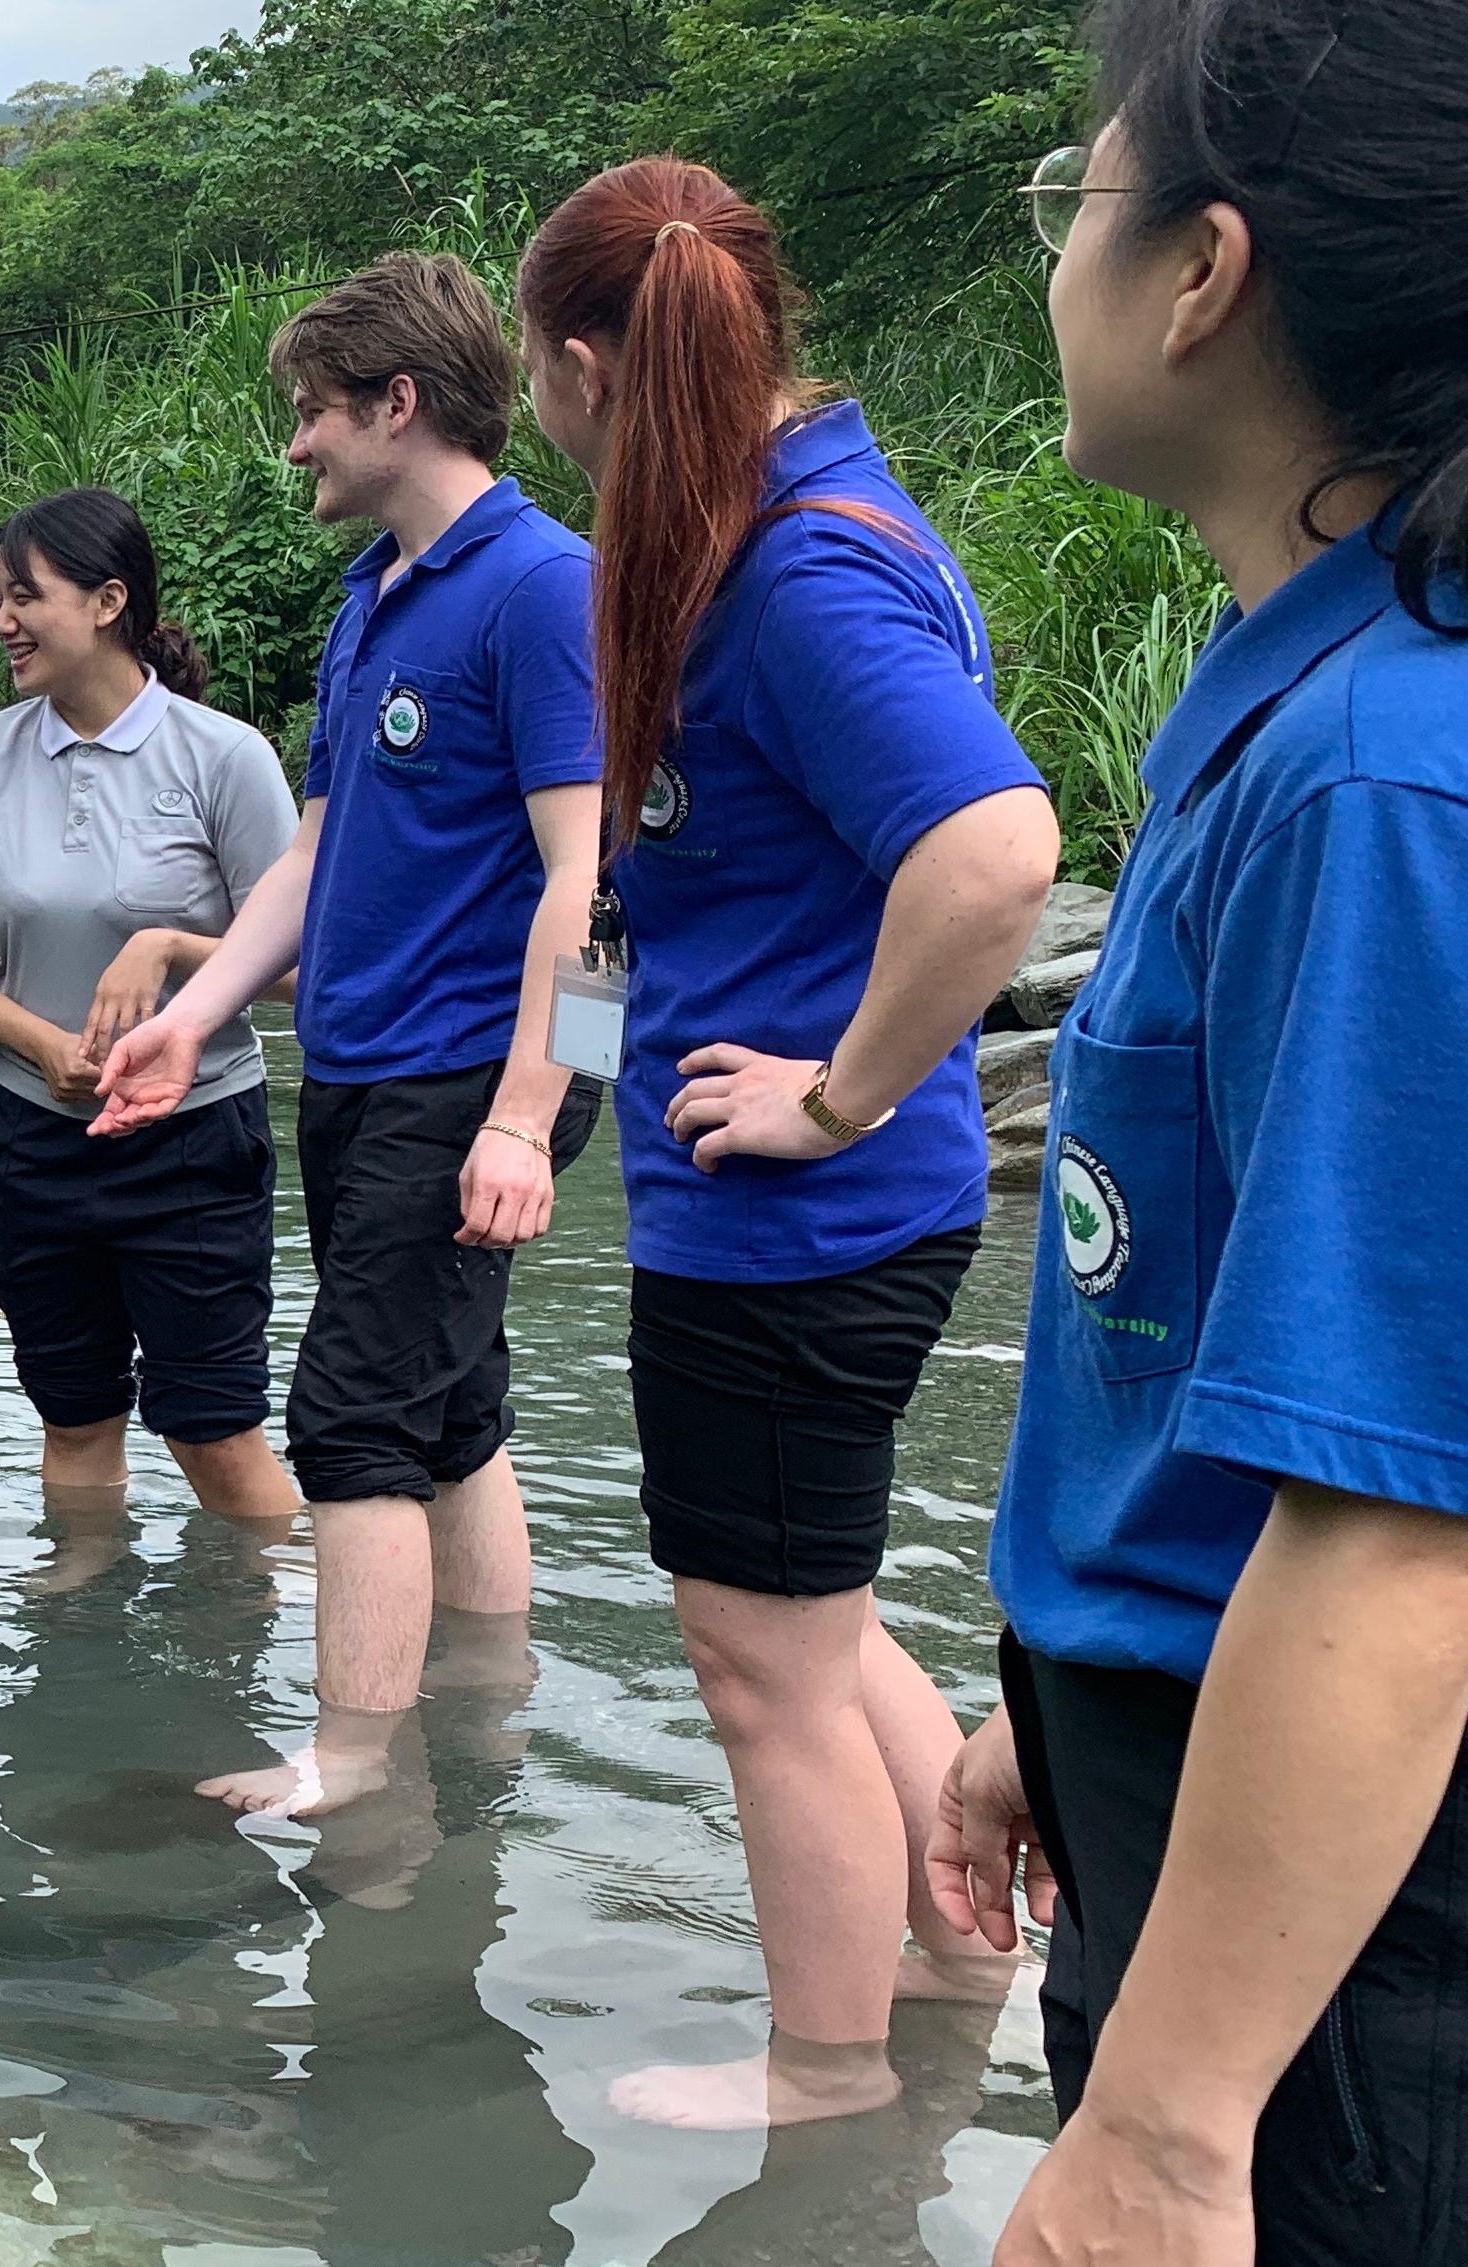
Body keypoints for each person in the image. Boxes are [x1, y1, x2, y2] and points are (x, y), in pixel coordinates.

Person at [927, 6, 1468, 2259]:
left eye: (1080, 192)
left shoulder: (1388, 778)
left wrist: (1163, 2125)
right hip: (1209, 1793)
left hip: (1339, 1951)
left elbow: (1402, 1526)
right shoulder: (1302, 708)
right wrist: (1053, 1689)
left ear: (1201, 273)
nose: (1058, 250)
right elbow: (1220, 1338)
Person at [511, 158, 1063, 2133]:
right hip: (798, 1203)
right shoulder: (732, 533)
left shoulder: (799, 571)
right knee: (807, 1629)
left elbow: (998, 856)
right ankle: (960, 1945)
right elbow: (625, 905)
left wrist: (833, 1090)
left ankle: (828, 2072)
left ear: (585, 366)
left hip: (799, 1213)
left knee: (755, 1666)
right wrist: (566, 1089)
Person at [92, 253, 607, 1818]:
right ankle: (484, 1705)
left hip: (473, 1074)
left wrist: (530, 1109)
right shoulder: (370, 600)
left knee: (349, 1415)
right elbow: (314, 861)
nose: (296, 442)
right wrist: (189, 1015)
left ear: (401, 403)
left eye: (312, 411)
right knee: (450, 1405)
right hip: (369, 1066)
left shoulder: (544, 586)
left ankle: (357, 1767)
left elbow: (600, 882)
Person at [0, 489, 301, 1526]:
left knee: (212, 1429)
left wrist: (168, 946)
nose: (2, 622)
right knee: (73, 1420)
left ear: (109, 601)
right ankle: (79, 1629)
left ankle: (293, 1630)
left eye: (24, 596)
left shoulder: (224, 757)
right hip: (32, 1141)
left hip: (192, 1139)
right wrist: (37, 1042)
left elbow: (304, 967)